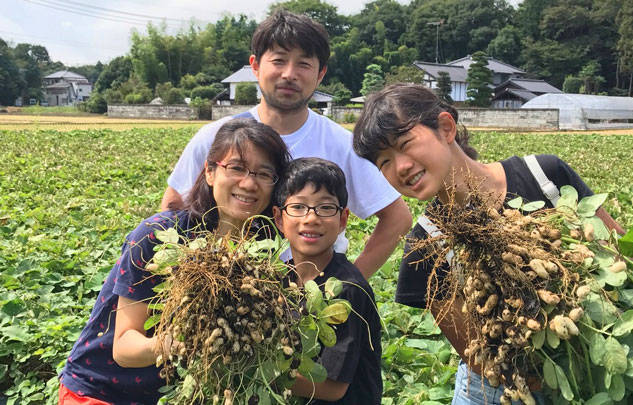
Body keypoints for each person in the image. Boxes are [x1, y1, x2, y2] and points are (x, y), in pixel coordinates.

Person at [352, 84, 624, 405]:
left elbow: (621, 257)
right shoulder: (425, 247)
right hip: (499, 391)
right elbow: (483, 358)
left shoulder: (544, 176)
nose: (400, 167)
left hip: (594, 368)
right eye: (383, 162)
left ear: (446, 128)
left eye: (405, 144)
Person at [161, 10, 411, 279]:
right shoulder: (216, 138)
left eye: (304, 64)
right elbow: (173, 207)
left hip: (312, 302)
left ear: (320, 74)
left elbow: (397, 218)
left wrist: (347, 283)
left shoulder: (342, 144)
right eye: (279, 60)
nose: (290, 74)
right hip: (227, 291)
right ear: (255, 66)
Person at [58, 119, 291, 405]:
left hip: (174, 395)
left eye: (264, 174)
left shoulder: (263, 249)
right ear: (210, 171)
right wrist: (177, 343)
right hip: (101, 390)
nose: (249, 183)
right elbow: (123, 347)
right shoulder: (160, 235)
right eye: (237, 168)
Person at [273, 158, 382, 404]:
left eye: (325, 208)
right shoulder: (279, 280)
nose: (311, 218)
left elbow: (331, 387)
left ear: (343, 219)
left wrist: (257, 374)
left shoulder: (348, 289)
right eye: (298, 207)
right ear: (279, 219)